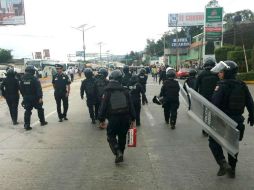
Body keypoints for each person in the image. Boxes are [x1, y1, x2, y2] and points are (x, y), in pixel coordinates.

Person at [209, 60, 254, 178]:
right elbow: (250, 102)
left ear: (227, 73)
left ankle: (222, 163)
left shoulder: (221, 86)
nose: (219, 73)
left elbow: (215, 104)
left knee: (213, 141)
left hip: (222, 121)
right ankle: (232, 169)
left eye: (221, 72)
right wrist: (252, 115)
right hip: (237, 122)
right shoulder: (242, 85)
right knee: (233, 145)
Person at [98, 69, 136, 164]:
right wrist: (133, 118)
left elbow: (103, 106)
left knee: (111, 135)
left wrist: (101, 119)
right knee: (122, 136)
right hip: (125, 118)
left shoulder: (107, 91)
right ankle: (121, 153)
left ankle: (117, 151)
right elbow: (131, 105)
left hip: (113, 118)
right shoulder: (125, 91)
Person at [195, 57, 219, 136]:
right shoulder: (217, 74)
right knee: (215, 113)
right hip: (215, 97)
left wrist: (196, 96)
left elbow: (196, 86)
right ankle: (214, 129)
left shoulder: (201, 74)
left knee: (205, 113)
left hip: (204, 97)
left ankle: (205, 130)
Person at [20, 66, 48, 130]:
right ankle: (42, 122)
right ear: (32, 71)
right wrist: (40, 97)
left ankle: (26, 125)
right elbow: (38, 89)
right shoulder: (34, 78)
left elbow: (21, 89)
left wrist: (24, 96)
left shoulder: (22, 79)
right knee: (40, 109)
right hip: (35, 97)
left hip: (26, 97)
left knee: (27, 111)